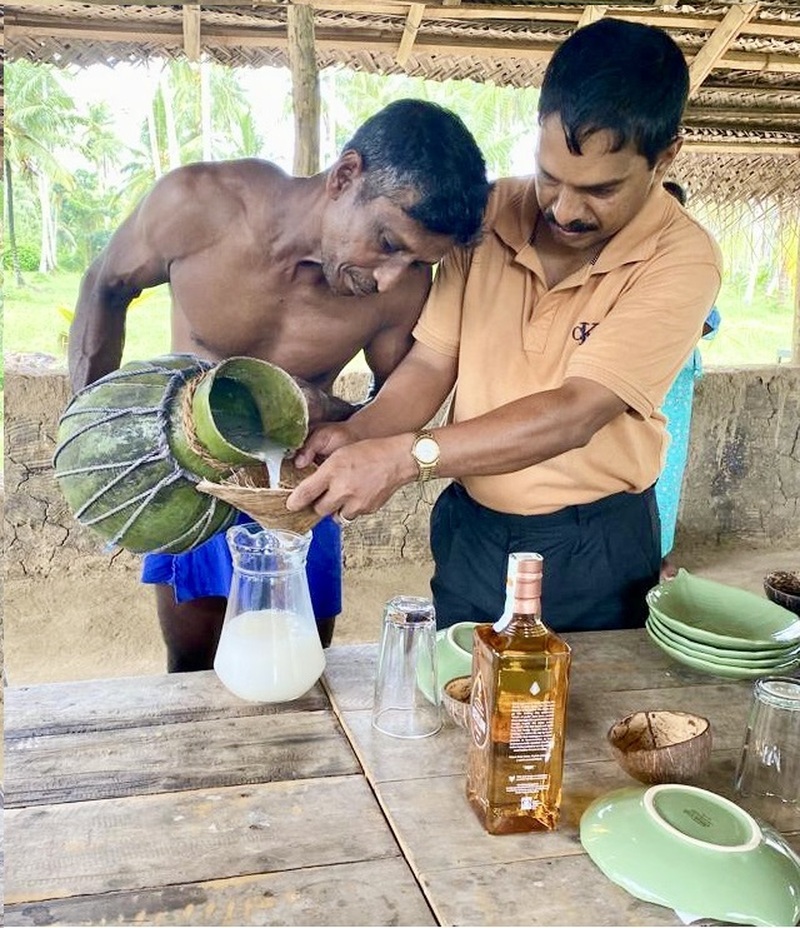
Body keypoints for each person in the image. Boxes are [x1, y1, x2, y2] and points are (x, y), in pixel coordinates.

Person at [286, 19, 723, 633]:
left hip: (593, 545)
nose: (566, 211)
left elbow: (576, 412)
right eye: (551, 177)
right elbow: (433, 363)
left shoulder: (681, 258)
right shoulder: (491, 215)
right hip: (474, 531)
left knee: (573, 718)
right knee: (463, 702)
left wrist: (406, 458)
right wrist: (358, 432)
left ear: (666, 157)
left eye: (601, 189)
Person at [68, 98, 490, 670]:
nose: (391, 276)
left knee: (301, 666)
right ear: (345, 177)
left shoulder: (401, 287)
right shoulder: (199, 205)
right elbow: (106, 283)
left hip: (294, 495)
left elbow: (394, 401)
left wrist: (326, 410)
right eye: (388, 244)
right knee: (191, 662)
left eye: (416, 262)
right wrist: (86, 431)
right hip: (193, 481)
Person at [658, 181, 721, 578]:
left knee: (666, 466)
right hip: (638, 378)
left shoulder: (692, 255)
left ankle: (660, 551)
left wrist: (675, 336)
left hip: (675, 381)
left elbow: (710, 316)